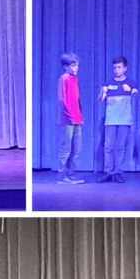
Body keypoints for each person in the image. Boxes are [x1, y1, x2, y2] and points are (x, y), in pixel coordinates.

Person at [98, 56, 138, 183]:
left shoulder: (130, 82)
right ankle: (108, 172)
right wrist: (103, 92)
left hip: (124, 120)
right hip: (110, 120)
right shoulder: (108, 83)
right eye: (115, 68)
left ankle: (118, 171)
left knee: (120, 147)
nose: (116, 70)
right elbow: (100, 99)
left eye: (119, 67)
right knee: (108, 146)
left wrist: (130, 90)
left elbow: (135, 93)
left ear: (125, 68)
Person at [56, 52, 85, 184]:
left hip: (77, 118)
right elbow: (62, 99)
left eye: (77, 65)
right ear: (65, 67)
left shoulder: (75, 79)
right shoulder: (64, 78)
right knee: (66, 148)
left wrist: (80, 115)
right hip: (67, 119)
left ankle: (71, 174)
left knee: (76, 149)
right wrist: (69, 116)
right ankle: (62, 176)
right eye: (73, 66)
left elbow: (77, 99)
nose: (75, 68)